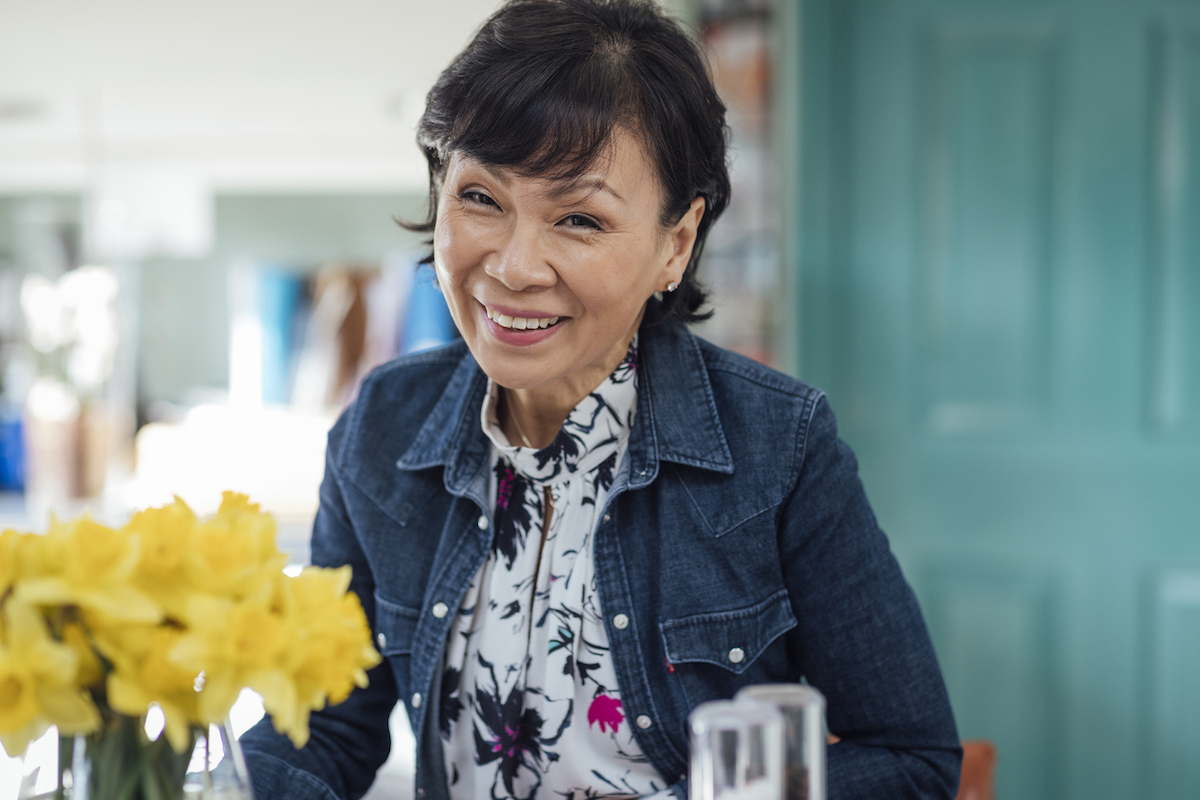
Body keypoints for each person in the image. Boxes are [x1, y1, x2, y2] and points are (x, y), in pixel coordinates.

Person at [239, 0, 962, 798]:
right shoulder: (381, 428)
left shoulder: (780, 448)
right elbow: (321, 725)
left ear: (675, 245)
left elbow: (911, 758)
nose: (514, 266)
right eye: (481, 197)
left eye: (579, 218)